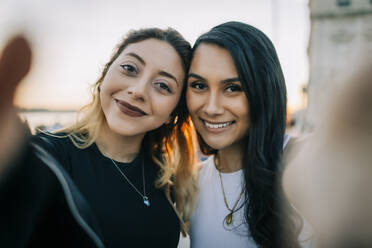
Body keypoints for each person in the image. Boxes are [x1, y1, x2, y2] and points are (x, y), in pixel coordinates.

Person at [0, 27, 197, 248]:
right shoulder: (48, 157)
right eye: (130, 68)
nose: (138, 90)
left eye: (163, 85)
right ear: (104, 76)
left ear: (173, 112)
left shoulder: (167, 179)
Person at [186, 21, 303, 247]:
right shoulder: (190, 185)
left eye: (232, 88)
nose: (211, 108)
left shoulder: (299, 160)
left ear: (263, 92)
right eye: (199, 85)